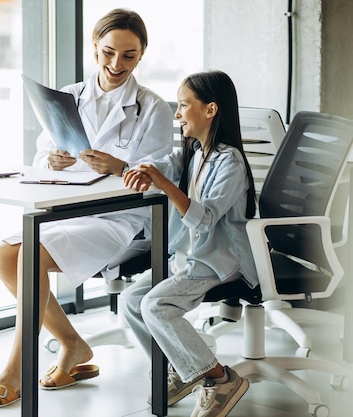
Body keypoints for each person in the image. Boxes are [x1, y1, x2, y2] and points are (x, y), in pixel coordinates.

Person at [0, 8, 174, 409]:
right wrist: (54, 160)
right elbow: (46, 150)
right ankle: (72, 345)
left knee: (26, 254)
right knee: (2, 256)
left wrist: (121, 167)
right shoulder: (70, 96)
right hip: (73, 208)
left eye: (129, 56)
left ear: (142, 54)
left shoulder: (153, 108)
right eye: (108, 52)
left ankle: (16, 370)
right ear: (95, 47)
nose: (117, 64)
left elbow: (160, 173)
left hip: (121, 218)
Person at [120, 70, 257, 417]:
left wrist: (164, 183)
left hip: (222, 261)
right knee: (131, 301)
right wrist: (147, 169)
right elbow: (160, 165)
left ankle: (219, 378)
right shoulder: (195, 154)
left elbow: (205, 219)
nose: (177, 114)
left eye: (183, 105)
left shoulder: (231, 162)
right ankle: (183, 370)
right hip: (190, 256)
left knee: (155, 305)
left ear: (210, 110)